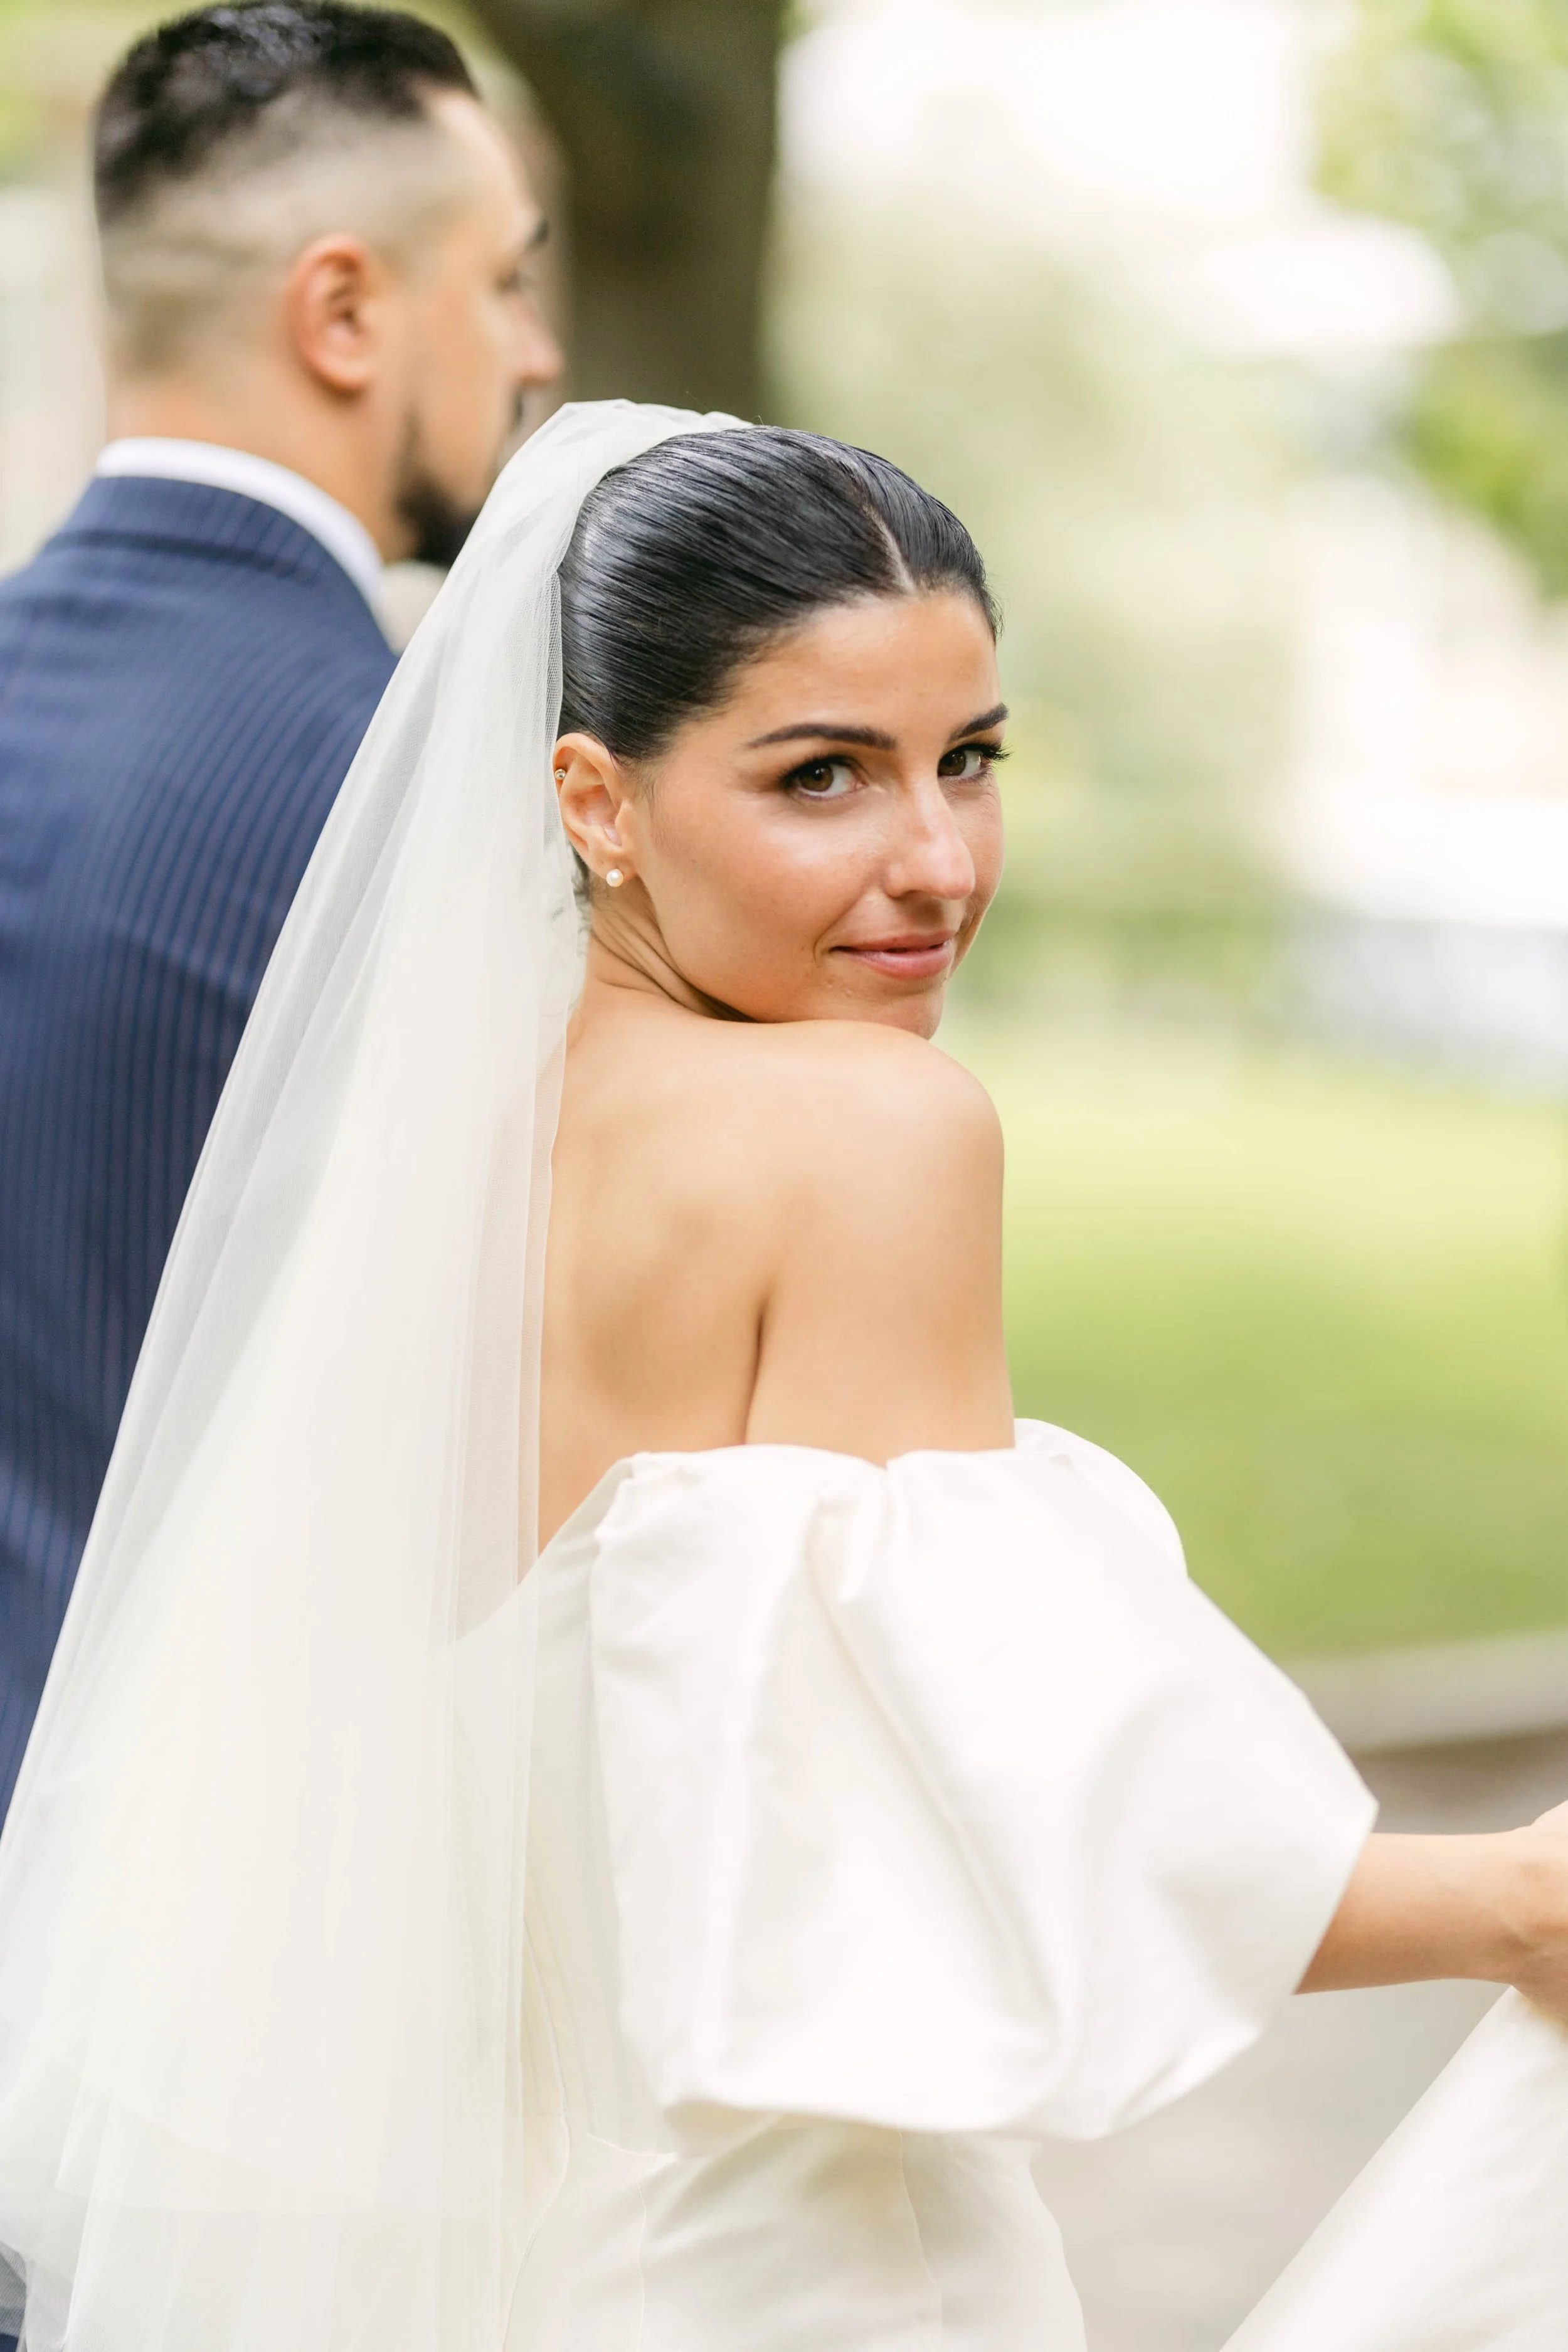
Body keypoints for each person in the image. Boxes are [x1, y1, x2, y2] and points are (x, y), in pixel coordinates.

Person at [0, 402, 1561, 2350]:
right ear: (595, 799)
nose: (935, 859)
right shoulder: (869, 1133)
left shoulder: (424, 1158)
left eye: (969, 759)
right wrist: (1513, 1900)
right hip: (782, 2275)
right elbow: (956, 1825)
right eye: (822, 775)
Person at [0, 3, 561, 1821]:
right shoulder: (416, 797)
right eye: (504, 283)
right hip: (191, 1867)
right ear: (343, 313)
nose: (537, 352)